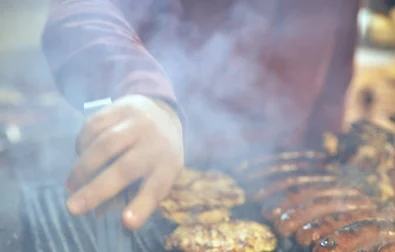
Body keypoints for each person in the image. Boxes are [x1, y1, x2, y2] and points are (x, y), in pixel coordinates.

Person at [43, 0, 360, 229]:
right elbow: (80, 11)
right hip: (158, 177)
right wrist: (145, 93)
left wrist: (332, 163)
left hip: (282, 186)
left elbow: (333, 78)